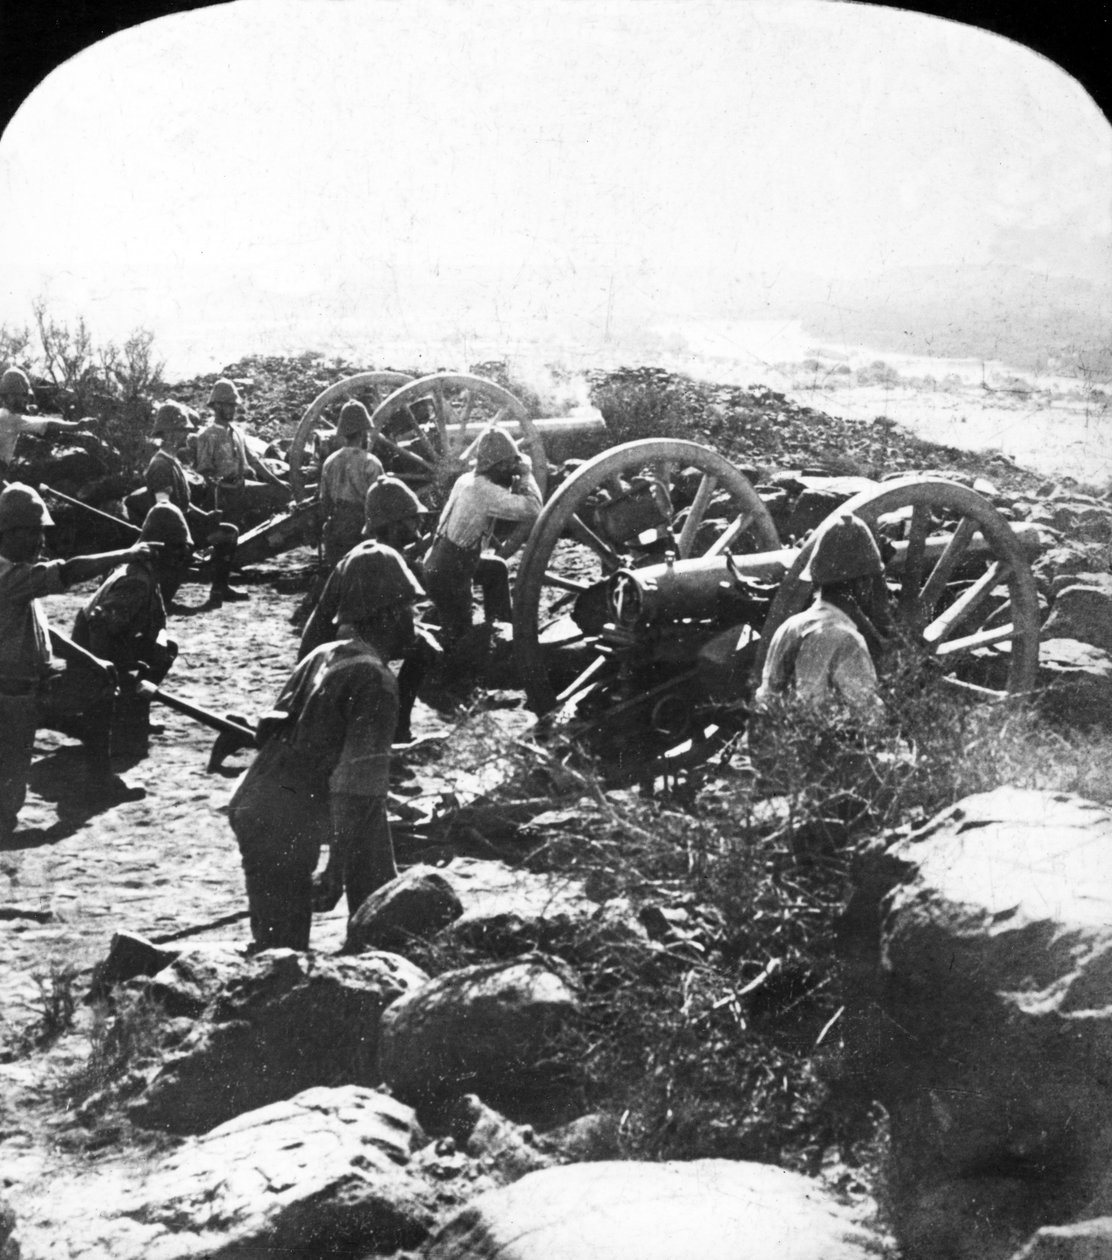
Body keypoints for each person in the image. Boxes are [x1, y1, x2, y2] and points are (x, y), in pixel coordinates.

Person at [228, 543, 423, 951]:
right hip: (283, 821)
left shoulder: (321, 655)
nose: (416, 622)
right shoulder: (376, 683)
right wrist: (335, 872)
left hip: (258, 803)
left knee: (277, 943)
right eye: (410, 610)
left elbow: (287, 734)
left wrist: (407, 753)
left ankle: (374, 930)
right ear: (386, 614)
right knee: (281, 957)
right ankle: (378, 943)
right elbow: (354, 789)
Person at [0, 483, 156, 841]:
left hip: (31, 690)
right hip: (10, 697)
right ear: (10, 533)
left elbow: (42, 631)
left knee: (99, 693)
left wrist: (91, 659)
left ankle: (98, 778)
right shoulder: (8, 576)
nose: (41, 541)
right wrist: (125, 554)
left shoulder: (18, 574)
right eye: (34, 533)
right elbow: (68, 572)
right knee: (7, 797)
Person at [300, 475, 436, 742]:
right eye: (411, 518)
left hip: (332, 652)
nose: (418, 523)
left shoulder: (377, 552)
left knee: (421, 642)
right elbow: (357, 629)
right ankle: (397, 732)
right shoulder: (373, 559)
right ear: (394, 524)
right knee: (423, 648)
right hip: (328, 660)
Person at [71, 503, 187, 756]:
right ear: (159, 549)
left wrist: (158, 642)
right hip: (92, 652)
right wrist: (115, 671)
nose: (182, 555)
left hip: (113, 641)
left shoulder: (146, 571)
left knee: (165, 649)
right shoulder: (136, 581)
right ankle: (119, 715)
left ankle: (133, 715)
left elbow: (156, 620)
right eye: (178, 548)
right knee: (148, 661)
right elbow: (99, 626)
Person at [753, 512, 889, 715]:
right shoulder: (848, 641)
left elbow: (766, 700)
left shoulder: (788, 627)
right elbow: (868, 716)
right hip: (824, 742)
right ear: (863, 584)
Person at [422, 425, 542, 645]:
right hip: (451, 573)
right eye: (509, 464)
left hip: (440, 561)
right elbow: (534, 508)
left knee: (496, 569)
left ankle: (503, 630)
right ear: (498, 465)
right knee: (460, 640)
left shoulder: (467, 480)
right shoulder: (483, 492)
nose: (512, 469)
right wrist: (526, 474)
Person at [144, 399, 244, 606]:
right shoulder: (161, 465)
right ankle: (164, 600)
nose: (186, 435)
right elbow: (164, 509)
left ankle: (219, 588)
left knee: (229, 532)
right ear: (170, 434)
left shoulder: (173, 461)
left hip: (185, 524)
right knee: (198, 544)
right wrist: (186, 534)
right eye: (182, 430)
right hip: (172, 533)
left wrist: (204, 517)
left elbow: (182, 503)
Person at [195, 377, 289, 531]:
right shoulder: (207, 436)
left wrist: (277, 482)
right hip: (223, 495)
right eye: (228, 406)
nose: (232, 410)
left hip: (242, 487)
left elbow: (254, 461)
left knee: (280, 493)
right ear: (217, 405)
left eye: (234, 406)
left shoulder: (238, 432)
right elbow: (205, 473)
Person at [318, 400, 384, 569]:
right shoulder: (370, 463)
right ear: (363, 433)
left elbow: (324, 501)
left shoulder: (330, 462)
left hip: (336, 529)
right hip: (361, 530)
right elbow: (379, 503)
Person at [0, 367, 93, 482]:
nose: (26, 401)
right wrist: (77, 426)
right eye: (23, 395)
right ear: (10, 397)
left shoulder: (5, 416)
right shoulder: (12, 419)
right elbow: (48, 424)